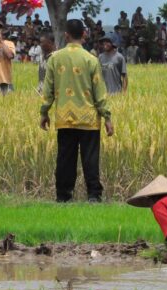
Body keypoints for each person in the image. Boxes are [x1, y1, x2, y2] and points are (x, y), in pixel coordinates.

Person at [40, 19, 113, 203]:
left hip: (64, 117)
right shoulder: (91, 59)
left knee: (65, 158)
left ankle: (63, 197)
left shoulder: (55, 58)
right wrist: (107, 117)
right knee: (90, 159)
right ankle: (94, 196)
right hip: (88, 118)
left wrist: (44, 112)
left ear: (66, 35)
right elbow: (99, 92)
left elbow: (48, 89)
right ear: (84, 34)